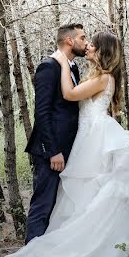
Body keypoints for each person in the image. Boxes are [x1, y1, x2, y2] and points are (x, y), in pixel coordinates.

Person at [0, 31, 129, 257]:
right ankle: (53, 249)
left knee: (90, 195)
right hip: (83, 139)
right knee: (78, 197)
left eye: (92, 44)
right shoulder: (94, 74)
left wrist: (64, 63)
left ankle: (91, 251)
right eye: (86, 40)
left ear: (103, 51)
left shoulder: (103, 77)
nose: (88, 46)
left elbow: (70, 94)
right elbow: (47, 108)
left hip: (92, 140)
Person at [22, 23, 87, 244]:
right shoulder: (48, 67)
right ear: (70, 41)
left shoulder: (73, 68)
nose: (85, 43)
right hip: (51, 152)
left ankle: (49, 254)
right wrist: (53, 151)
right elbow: (42, 112)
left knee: (60, 204)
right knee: (43, 203)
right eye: (82, 38)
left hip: (69, 149)